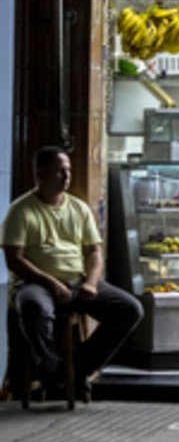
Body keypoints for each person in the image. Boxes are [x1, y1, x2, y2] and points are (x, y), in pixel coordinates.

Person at [3, 147, 144, 398]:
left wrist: (90, 283)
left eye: (68, 170)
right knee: (34, 309)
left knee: (130, 310)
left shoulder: (78, 208)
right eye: (60, 171)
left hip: (77, 280)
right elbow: (15, 260)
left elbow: (94, 252)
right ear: (41, 173)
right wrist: (51, 283)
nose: (67, 176)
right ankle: (51, 368)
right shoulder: (21, 210)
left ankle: (75, 370)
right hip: (35, 283)